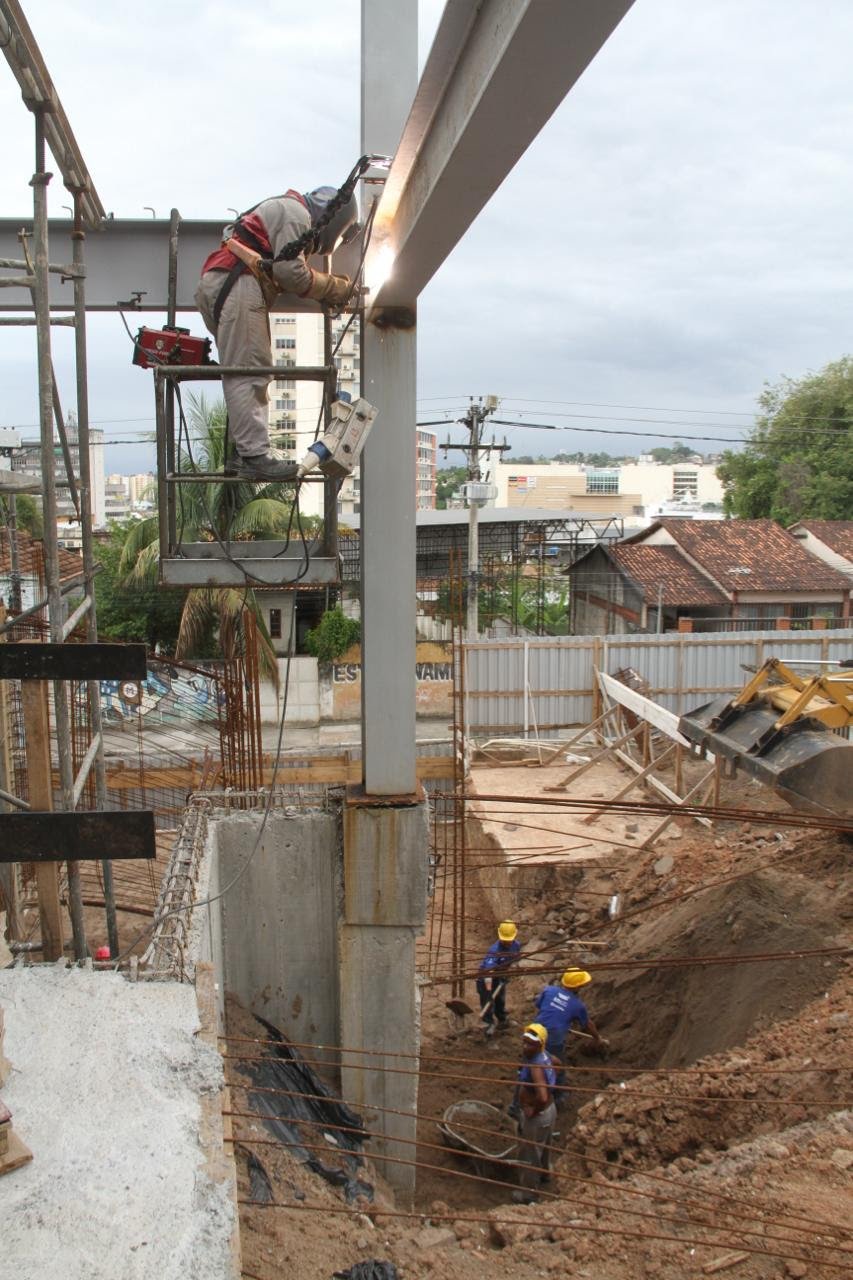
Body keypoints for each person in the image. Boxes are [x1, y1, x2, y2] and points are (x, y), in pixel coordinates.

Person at [194, 186, 359, 481]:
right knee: (251, 371)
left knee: (240, 372)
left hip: (222, 286)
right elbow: (291, 273)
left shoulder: (281, 210)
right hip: (236, 284)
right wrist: (336, 287)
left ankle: (241, 454)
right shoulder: (296, 213)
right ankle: (254, 458)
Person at [512, 1023, 557, 1203]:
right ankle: (545, 1174)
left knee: (530, 1152)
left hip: (539, 1116)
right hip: (550, 1112)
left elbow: (543, 1096)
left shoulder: (536, 1066)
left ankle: (529, 1193)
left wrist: (533, 1110)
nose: (525, 1046)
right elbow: (558, 1063)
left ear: (540, 1045)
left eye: (530, 1044)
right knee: (545, 1144)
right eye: (524, 1042)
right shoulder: (546, 1057)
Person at [476, 921, 521, 1037]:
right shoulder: (494, 950)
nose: (506, 942)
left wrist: (508, 972)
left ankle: (502, 1019)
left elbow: (514, 960)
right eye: (504, 940)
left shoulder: (516, 945)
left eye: (508, 940)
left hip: (500, 977)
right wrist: (489, 991)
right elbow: (488, 973)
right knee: (488, 1002)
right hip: (486, 980)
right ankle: (488, 1024)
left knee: (500, 999)